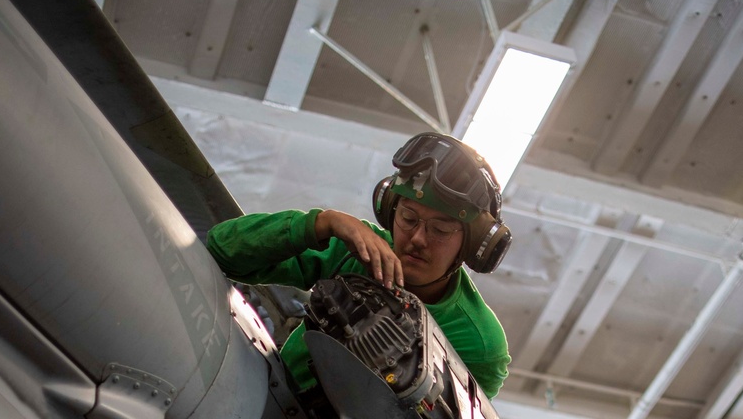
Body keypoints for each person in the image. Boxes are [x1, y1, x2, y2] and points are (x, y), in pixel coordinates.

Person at [205, 133, 513, 400]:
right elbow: (223, 250)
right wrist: (322, 223)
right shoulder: (352, 250)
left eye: (440, 230)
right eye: (408, 218)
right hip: (268, 399)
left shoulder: (481, 345)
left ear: (472, 245)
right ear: (390, 208)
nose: (417, 238)